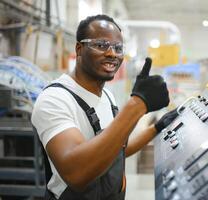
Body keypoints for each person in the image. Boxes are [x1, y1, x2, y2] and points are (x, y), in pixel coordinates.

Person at [31, 14, 179, 200]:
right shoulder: (55, 99)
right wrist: (137, 104)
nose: (111, 54)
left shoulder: (108, 96)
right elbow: (76, 173)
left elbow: (117, 149)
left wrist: (156, 128)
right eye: (101, 45)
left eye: (118, 48)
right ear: (79, 48)